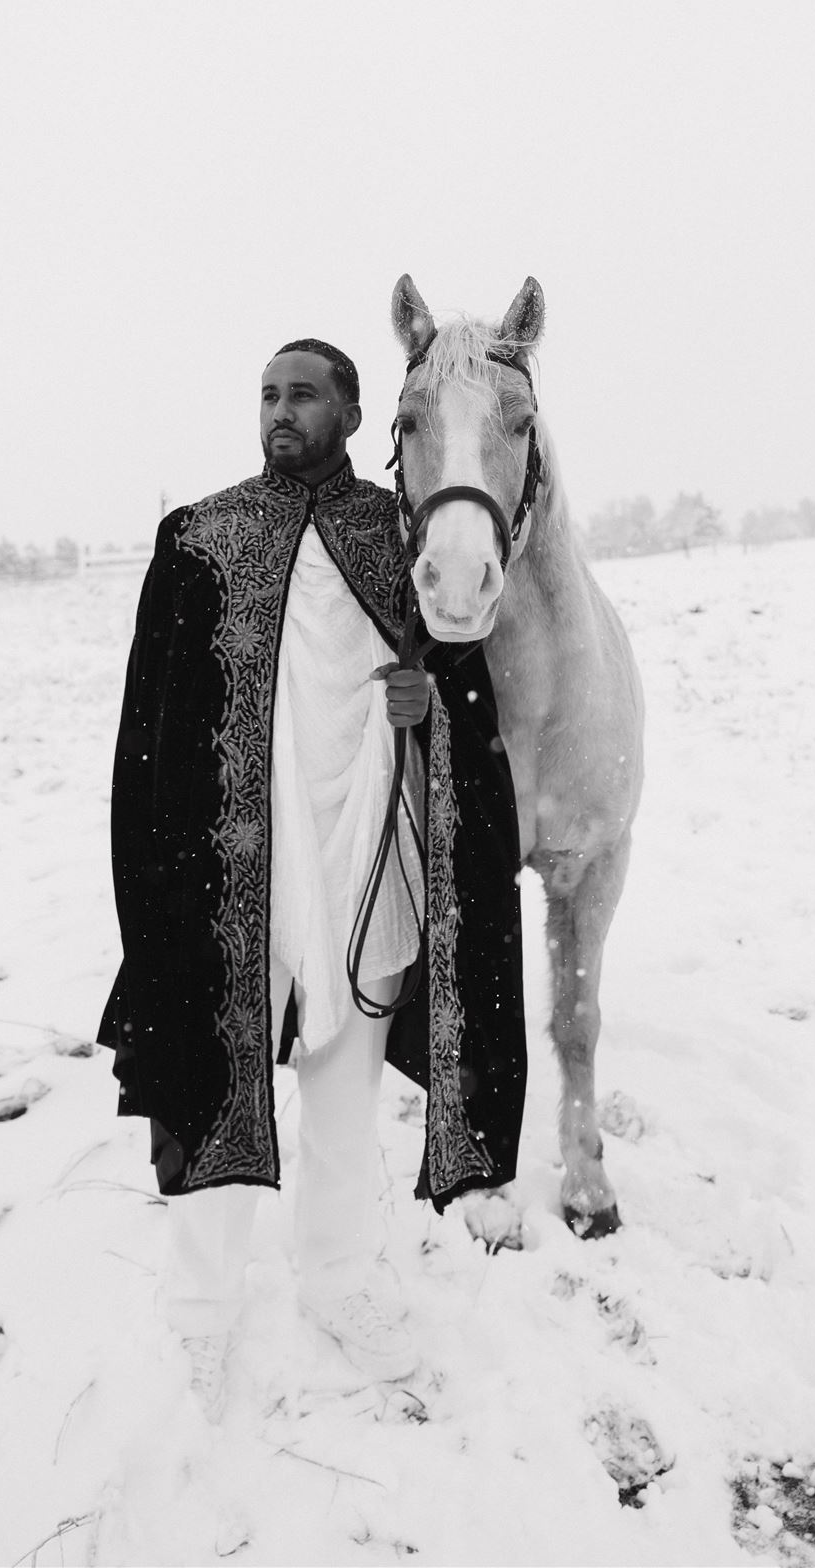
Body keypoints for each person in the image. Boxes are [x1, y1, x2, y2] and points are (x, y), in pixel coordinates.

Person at [97, 338, 526, 1421]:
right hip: (234, 877)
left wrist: (426, 709)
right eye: (267, 394)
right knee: (214, 1081)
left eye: (304, 394)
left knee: (342, 1095)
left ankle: (338, 1279)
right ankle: (201, 1307)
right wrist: (149, 895)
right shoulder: (199, 538)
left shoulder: (401, 538)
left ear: (350, 412)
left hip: (368, 866)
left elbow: (459, 700)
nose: (280, 410)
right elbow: (146, 735)